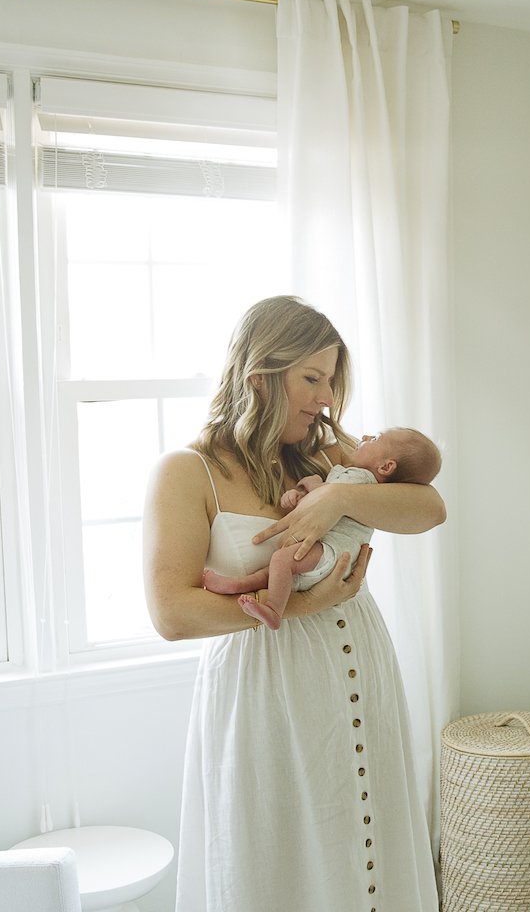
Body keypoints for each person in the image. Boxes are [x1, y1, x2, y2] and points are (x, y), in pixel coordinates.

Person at [143, 295, 445, 911]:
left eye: (331, 382)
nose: (327, 398)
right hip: (265, 689)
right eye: (312, 378)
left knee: (366, 837)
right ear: (259, 374)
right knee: (276, 859)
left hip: (360, 671)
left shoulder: (327, 457)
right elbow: (172, 613)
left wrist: (334, 502)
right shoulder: (187, 471)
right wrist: (301, 608)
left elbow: (429, 509)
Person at [201, 426, 441, 629]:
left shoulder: (360, 479)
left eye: (376, 438)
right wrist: (311, 489)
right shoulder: (359, 481)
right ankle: (237, 585)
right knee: (276, 569)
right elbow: (323, 500)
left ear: (386, 467)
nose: (366, 437)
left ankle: (274, 609)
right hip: (332, 556)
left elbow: (323, 497)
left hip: (333, 552)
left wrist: (309, 489)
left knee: (281, 561)